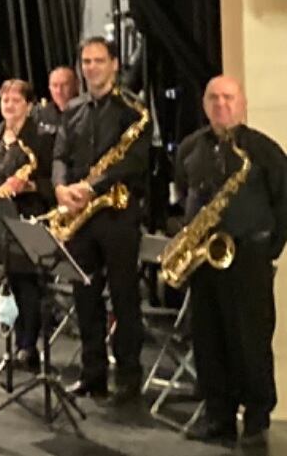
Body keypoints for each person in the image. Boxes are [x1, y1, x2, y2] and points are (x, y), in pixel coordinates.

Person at [175, 76, 287, 446]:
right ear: (205, 104)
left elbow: (284, 204)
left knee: (251, 341)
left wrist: (267, 249)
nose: (221, 104)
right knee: (208, 340)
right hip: (204, 259)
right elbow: (182, 195)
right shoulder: (191, 148)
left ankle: (257, 418)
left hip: (248, 258)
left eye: (228, 97)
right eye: (213, 98)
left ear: (243, 103)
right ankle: (218, 416)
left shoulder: (265, 151)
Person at [50, 37, 149, 404]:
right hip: (80, 214)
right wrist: (61, 188)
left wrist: (91, 187)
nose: (91, 67)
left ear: (114, 64)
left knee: (124, 298)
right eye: (86, 61)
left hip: (117, 214)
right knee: (85, 296)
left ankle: (128, 376)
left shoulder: (133, 111)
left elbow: (133, 161)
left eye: (98, 60)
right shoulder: (73, 109)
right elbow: (60, 153)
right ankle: (92, 375)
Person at [0, 79, 54, 372]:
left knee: (25, 282)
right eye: (5, 100)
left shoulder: (41, 138)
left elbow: (53, 184)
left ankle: (27, 346)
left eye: (16, 101)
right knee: (0, 277)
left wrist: (28, 185)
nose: (9, 105)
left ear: (29, 106)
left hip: (25, 217)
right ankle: (2, 337)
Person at [33, 65, 79, 137]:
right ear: (49, 88)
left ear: (77, 85)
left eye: (65, 84)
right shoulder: (44, 114)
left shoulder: (89, 110)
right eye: (54, 85)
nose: (59, 91)